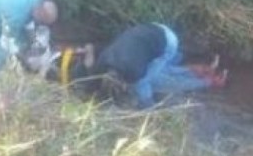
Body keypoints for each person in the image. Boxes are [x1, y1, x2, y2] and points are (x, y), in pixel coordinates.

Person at [92, 23, 227, 109]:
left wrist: (149, 109)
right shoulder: (104, 61)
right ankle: (195, 70)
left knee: (155, 81)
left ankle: (208, 82)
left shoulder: (134, 72)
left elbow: (143, 87)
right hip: (153, 29)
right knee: (159, 71)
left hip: (167, 45)